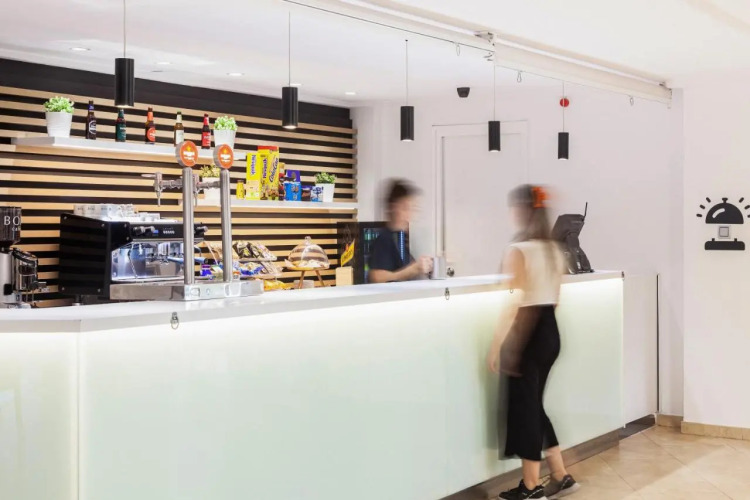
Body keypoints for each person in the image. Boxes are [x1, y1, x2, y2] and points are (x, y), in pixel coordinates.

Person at [487, 185, 580, 500]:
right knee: (534, 406)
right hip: (550, 331)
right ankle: (560, 475)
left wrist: (499, 345)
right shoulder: (554, 250)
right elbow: (555, 299)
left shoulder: (519, 250)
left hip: (527, 332)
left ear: (524, 211)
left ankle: (530, 487)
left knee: (526, 410)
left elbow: (514, 301)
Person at [369, 179, 433, 283]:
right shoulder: (384, 240)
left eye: (412, 208)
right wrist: (413, 269)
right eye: (405, 208)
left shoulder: (402, 239)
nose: (409, 214)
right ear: (393, 208)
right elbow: (377, 277)